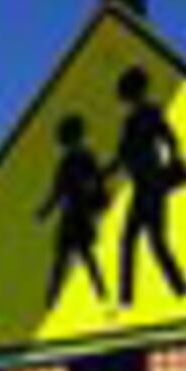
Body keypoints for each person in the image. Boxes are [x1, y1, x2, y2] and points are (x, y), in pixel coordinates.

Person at [110, 66, 186, 307]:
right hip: (140, 187)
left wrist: (173, 162)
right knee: (130, 241)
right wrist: (103, 175)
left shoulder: (151, 112)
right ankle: (127, 298)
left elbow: (170, 138)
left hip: (153, 184)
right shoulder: (130, 121)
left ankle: (180, 289)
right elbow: (122, 157)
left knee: (155, 241)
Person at [33, 111, 115, 318]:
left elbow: (97, 183)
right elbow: (58, 191)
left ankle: (102, 296)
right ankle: (51, 304)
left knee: (84, 259)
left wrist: (98, 202)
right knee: (66, 260)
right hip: (71, 217)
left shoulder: (85, 158)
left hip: (80, 217)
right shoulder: (67, 162)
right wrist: (44, 211)